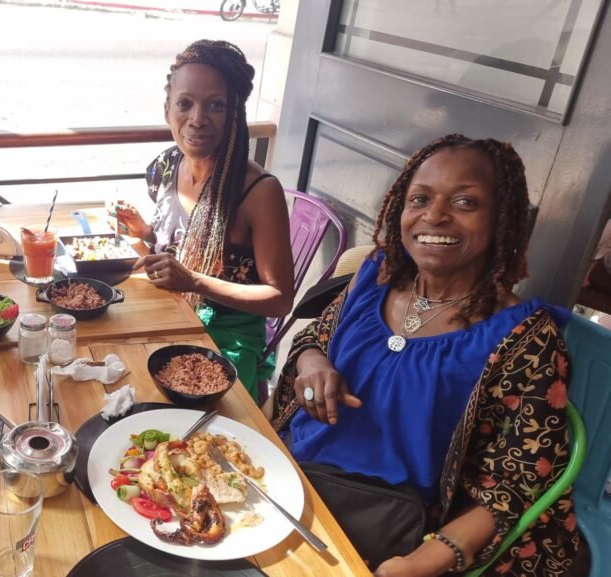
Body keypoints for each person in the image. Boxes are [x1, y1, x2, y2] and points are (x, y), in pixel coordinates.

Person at [270, 135, 589, 576]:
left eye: (465, 202)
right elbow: (314, 341)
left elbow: (517, 482)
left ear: (501, 220)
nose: (435, 215)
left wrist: (421, 563)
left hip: (395, 526)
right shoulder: (374, 276)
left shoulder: (524, 337)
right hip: (286, 476)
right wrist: (313, 363)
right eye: (420, 198)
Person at [123, 40, 295, 403]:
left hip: (226, 338)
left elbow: (280, 299)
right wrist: (145, 232)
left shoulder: (259, 192)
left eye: (216, 106)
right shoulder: (165, 166)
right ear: (167, 108)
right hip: (167, 313)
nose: (198, 119)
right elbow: (181, 244)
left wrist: (194, 281)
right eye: (185, 104)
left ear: (234, 114)